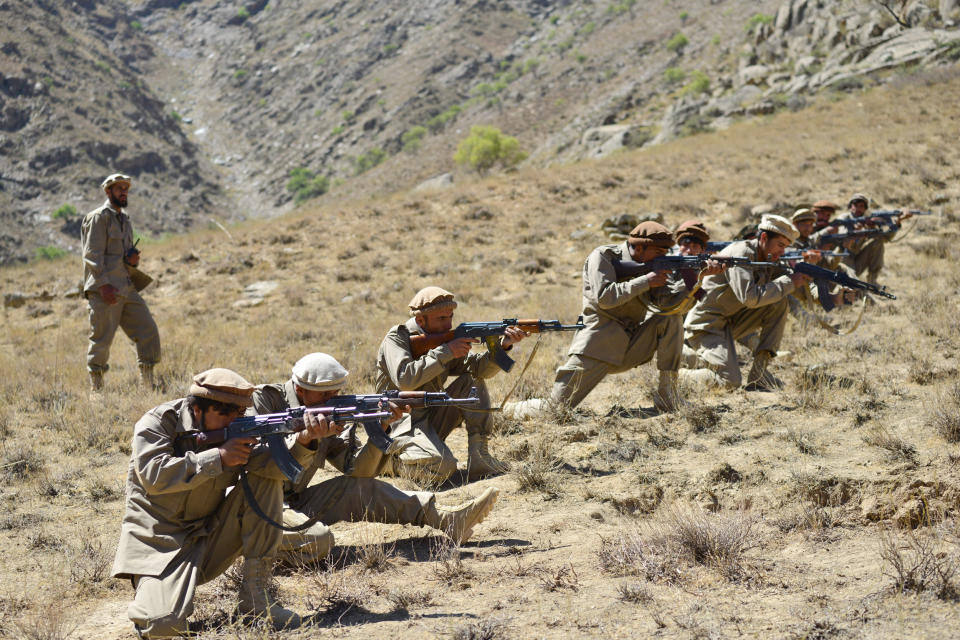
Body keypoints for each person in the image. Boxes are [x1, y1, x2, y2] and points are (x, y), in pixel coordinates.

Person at [111, 369, 317, 638]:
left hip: (209, 537)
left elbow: (272, 467)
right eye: (225, 414)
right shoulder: (158, 424)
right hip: (159, 549)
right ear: (197, 409)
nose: (234, 422)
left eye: (240, 414)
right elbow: (154, 476)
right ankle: (155, 595)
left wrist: (306, 439)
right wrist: (218, 457)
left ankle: (256, 597)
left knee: (266, 477)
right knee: (162, 627)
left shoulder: (239, 427)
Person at [252, 352, 501, 565]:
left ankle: (446, 519)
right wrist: (304, 439)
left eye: (336, 393)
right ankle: (256, 551)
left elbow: (359, 472)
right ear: (299, 390)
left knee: (357, 489)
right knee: (318, 540)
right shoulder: (265, 401)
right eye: (324, 396)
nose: (333, 401)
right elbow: (256, 462)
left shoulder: (331, 412)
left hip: (294, 502)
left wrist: (381, 427)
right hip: (255, 506)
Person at [550, 221, 723, 412]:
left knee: (670, 319)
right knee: (554, 409)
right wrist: (646, 281)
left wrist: (699, 277)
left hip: (631, 346)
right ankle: (512, 410)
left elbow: (670, 306)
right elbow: (604, 298)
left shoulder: (651, 267)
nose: (664, 257)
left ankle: (668, 397)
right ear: (639, 248)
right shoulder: (604, 256)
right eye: (659, 253)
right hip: (597, 347)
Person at [375, 287, 527, 484]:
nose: (448, 325)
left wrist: (503, 346)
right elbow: (405, 379)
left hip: (430, 416)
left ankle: (480, 458)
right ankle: (389, 463)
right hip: (398, 423)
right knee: (443, 468)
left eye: (450, 317)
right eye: (441, 319)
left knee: (471, 380)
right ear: (421, 320)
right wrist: (446, 351)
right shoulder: (397, 338)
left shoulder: (443, 341)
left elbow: (479, 370)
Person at [681, 215, 810, 391]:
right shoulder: (741, 253)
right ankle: (679, 374)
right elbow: (749, 298)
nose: (782, 252)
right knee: (729, 382)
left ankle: (759, 374)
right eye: (780, 245)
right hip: (706, 326)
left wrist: (832, 294)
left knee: (779, 302)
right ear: (764, 238)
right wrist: (789, 282)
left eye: (785, 247)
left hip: (730, 323)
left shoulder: (767, 257)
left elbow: (792, 285)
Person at [81, 173, 160, 391]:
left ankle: (148, 385)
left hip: (126, 287)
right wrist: (103, 285)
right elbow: (92, 255)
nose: (123, 191)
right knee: (102, 340)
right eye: (119, 188)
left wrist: (132, 261)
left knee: (148, 330)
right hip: (106, 289)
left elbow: (122, 257)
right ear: (108, 192)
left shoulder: (125, 219)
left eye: (126, 188)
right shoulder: (99, 217)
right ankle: (96, 390)